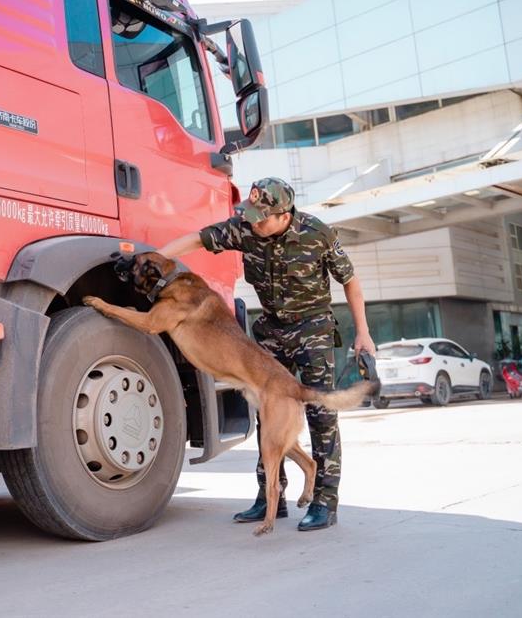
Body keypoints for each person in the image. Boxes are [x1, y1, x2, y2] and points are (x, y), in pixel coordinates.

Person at [158, 177, 374, 531]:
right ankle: (271, 496)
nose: (254, 223)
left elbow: (349, 280)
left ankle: (324, 501)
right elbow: (198, 238)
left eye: (261, 218)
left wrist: (363, 332)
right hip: (271, 330)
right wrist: (153, 256)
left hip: (312, 329)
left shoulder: (317, 233)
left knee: (320, 413)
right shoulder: (245, 228)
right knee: (267, 415)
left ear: (283, 214)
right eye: (251, 216)